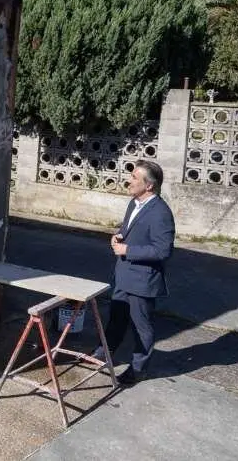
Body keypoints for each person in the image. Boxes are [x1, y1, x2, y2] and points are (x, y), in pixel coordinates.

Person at [96, 160, 175, 385]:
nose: (128, 181)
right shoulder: (134, 203)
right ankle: (103, 353)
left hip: (142, 280)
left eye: (134, 177)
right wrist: (119, 235)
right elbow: (129, 229)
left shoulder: (161, 213)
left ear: (149, 185)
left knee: (142, 328)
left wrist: (127, 249)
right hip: (123, 274)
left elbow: (163, 250)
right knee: (116, 319)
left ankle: (138, 369)